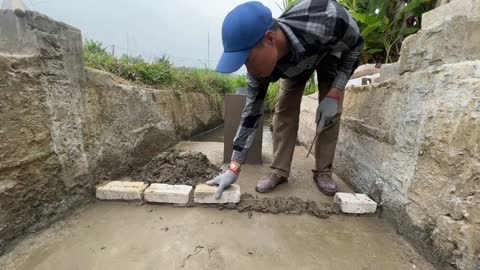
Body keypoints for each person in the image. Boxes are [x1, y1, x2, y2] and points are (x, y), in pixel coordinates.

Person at [207, 0, 363, 199]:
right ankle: (279, 171)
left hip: (328, 51)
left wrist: (336, 90)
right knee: (284, 108)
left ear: (270, 38)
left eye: (248, 60)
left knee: (330, 113)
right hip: (293, 64)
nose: (249, 71)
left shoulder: (327, 18)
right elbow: (251, 115)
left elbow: (356, 47)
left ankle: (323, 171)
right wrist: (234, 168)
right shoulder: (260, 70)